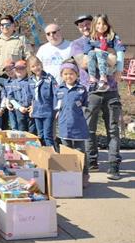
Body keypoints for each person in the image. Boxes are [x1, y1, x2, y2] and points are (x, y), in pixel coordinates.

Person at [70, 15, 125, 180]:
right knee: (89, 129)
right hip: (91, 91)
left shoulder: (110, 38)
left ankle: (114, 165)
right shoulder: (78, 44)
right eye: (82, 25)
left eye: (88, 23)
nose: (85, 27)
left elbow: (118, 56)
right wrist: (108, 55)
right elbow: (84, 63)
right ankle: (92, 161)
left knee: (113, 130)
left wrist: (114, 61)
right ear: (79, 28)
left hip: (111, 90)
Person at [54, 60, 90, 187]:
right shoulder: (59, 89)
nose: (68, 76)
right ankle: (69, 177)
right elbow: (57, 105)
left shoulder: (81, 89)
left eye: (71, 74)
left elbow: (86, 104)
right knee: (66, 152)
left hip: (78, 126)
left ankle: (84, 175)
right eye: (65, 74)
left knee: (80, 152)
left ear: (76, 75)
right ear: (62, 75)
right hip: (64, 126)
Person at [83, 14, 126, 92]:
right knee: (93, 53)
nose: (101, 26)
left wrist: (119, 70)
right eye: (98, 23)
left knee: (100, 53)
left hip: (110, 69)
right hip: (96, 70)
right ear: (94, 24)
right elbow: (87, 55)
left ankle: (104, 79)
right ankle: (92, 79)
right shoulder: (90, 38)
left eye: (104, 23)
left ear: (108, 24)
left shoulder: (112, 36)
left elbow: (120, 51)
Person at [28, 56, 56, 147]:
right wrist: (32, 108)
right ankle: (43, 154)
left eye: (38, 65)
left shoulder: (49, 79)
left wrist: (57, 110)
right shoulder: (31, 80)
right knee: (40, 135)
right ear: (30, 69)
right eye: (33, 66)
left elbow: (55, 94)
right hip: (37, 112)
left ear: (41, 64)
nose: (36, 68)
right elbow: (32, 97)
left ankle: (52, 155)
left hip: (47, 111)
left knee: (48, 135)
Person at [8, 60, 35, 133]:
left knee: (32, 132)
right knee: (22, 132)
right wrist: (19, 107)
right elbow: (10, 98)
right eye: (17, 69)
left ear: (27, 69)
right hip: (20, 111)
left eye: (22, 68)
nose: (19, 70)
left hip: (31, 110)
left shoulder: (32, 81)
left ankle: (32, 144)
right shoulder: (13, 83)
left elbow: (36, 96)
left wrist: (33, 106)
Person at [2, 59, 19, 130]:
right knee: (14, 126)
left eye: (11, 69)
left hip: (21, 109)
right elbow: (5, 95)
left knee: (22, 127)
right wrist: (7, 103)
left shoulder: (21, 80)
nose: (9, 72)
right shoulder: (6, 82)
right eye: (7, 70)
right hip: (11, 109)